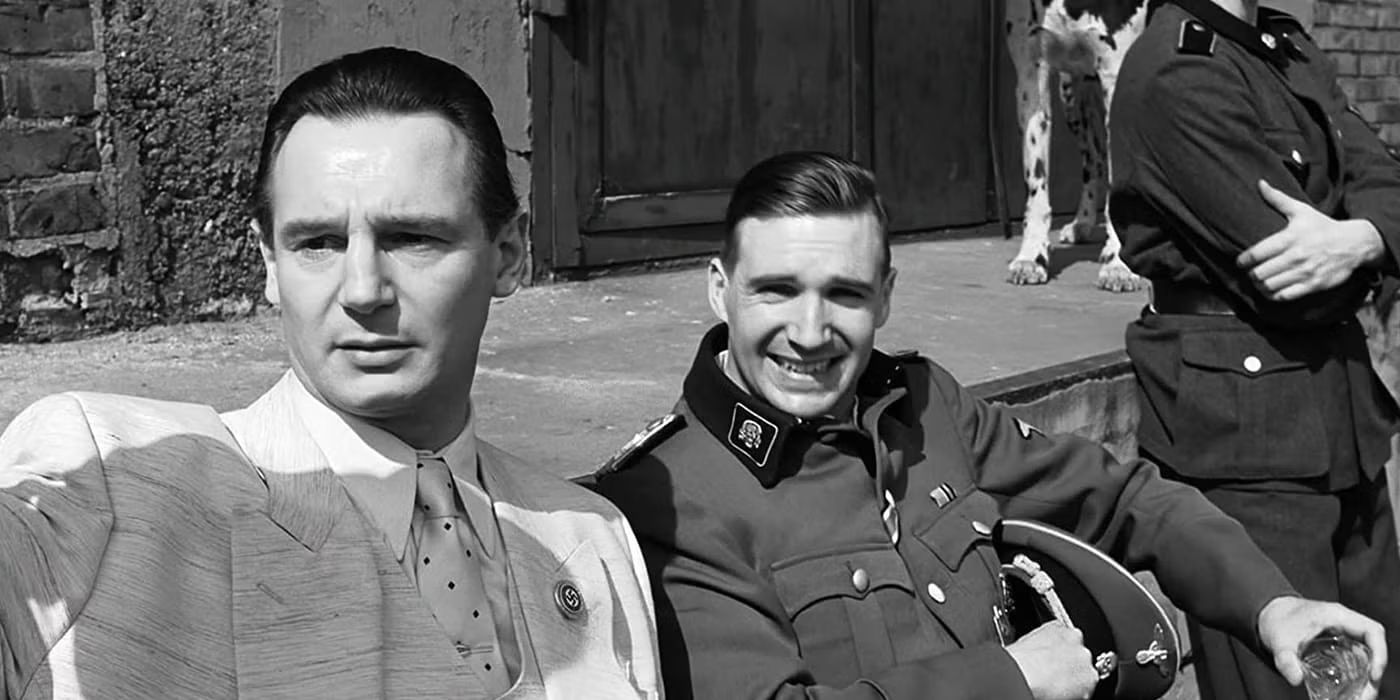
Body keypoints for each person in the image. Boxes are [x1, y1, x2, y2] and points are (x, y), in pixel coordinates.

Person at [587, 150, 1388, 700]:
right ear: (718, 289)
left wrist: (1272, 606)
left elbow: (1128, 497)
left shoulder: (926, 408)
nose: (809, 330)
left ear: (888, 296)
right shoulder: (670, 500)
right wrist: (1012, 681)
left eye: (846, 294)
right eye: (775, 290)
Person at [0, 47, 660, 699]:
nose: (363, 289)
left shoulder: (589, 533)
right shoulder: (111, 480)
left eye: (412, 238)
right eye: (318, 243)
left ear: (508, 254)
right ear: (268, 265)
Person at [1108, 0, 1400, 697]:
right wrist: (1374, 250)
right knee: (1296, 686)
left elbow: (1383, 174)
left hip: (1341, 417)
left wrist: (1363, 239)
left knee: (1378, 677)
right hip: (1251, 437)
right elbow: (1294, 282)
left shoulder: (1286, 46)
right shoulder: (1176, 70)